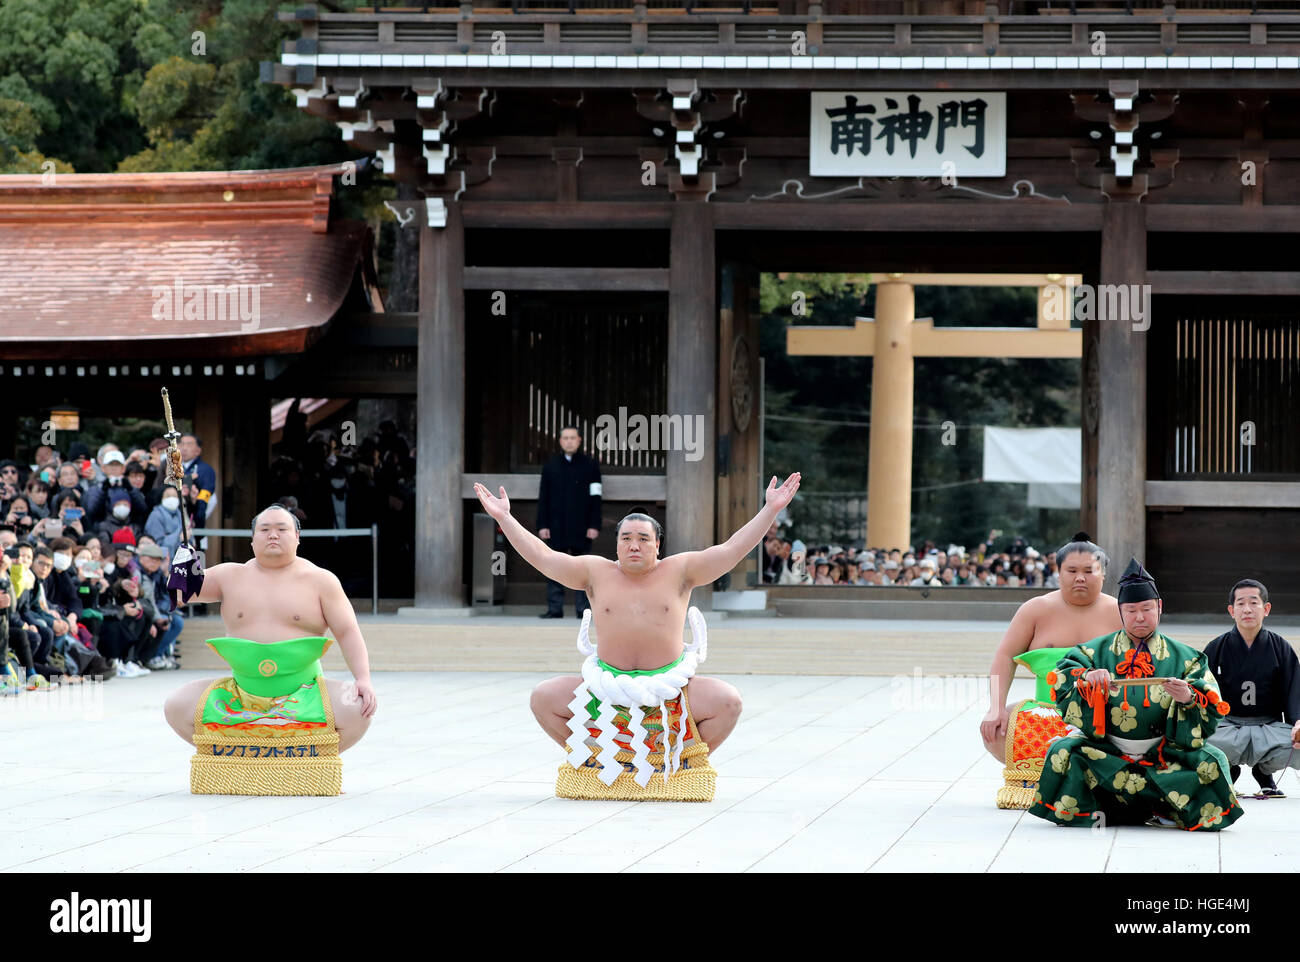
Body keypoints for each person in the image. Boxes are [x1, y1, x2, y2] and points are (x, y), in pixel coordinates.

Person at [474, 472, 801, 774]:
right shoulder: (594, 572)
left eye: (644, 538)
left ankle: (680, 763)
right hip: (606, 689)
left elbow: (731, 550)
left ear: (658, 545)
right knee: (544, 697)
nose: (634, 545)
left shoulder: (681, 571)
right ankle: (596, 761)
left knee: (728, 702)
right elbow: (544, 557)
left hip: (670, 691)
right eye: (626, 537)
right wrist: (505, 517)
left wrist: (770, 510)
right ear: (616, 543)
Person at [1027, 558, 1242, 831]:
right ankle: (1105, 809)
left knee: (1213, 760)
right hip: (1108, 752)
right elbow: (1062, 677)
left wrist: (1188, 698)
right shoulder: (1093, 652)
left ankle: (1156, 807)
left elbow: (1211, 701)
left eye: (1146, 609)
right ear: (1120, 612)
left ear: (1160, 607)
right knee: (1063, 750)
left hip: (1165, 753)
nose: (1139, 617)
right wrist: (1086, 679)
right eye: (1131, 610)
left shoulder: (1188, 659)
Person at [162, 504, 376, 751]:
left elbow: (347, 631)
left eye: (281, 529)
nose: (272, 535)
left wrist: (363, 678)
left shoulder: (321, 580)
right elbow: (180, 594)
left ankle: (306, 759)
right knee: (176, 705)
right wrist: (186, 559)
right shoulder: (229, 576)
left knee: (358, 708)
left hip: (304, 691)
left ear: (297, 537)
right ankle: (238, 755)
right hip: (240, 693)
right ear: (252, 539)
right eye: (264, 529)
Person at [981, 533, 1121, 808]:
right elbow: (1005, 656)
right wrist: (995, 707)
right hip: (1046, 709)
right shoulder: (1035, 609)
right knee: (997, 729)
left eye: (1088, 571)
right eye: (1071, 570)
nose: (1079, 577)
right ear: (1058, 573)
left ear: (1103, 574)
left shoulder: (1121, 611)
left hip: (1105, 712)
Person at [1203, 579, 1300, 799]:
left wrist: (1297, 723)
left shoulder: (1280, 647)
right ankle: (1228, 767)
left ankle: (1264, 771)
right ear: (1231, 610)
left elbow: (1294, 691)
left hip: (1269, 729)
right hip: (1228, 727)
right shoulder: (1216, 647)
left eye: (1254, 603)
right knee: (1196, 742)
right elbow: (1203, 692)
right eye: (1240, 603)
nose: (1247, 609)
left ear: (1266, 609)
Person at [535, 426, 601, 619]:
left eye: (573, 438)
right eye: (565, 438)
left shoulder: (590, 465)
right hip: (556, 525)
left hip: (583, 526)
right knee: (555, 566)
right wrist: (542, 525)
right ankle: (555, 608)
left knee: (583, 569)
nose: (569, 441)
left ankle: (584, 610)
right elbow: (543, 497)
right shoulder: (550, 466)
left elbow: (596, 497)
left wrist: (594, 525)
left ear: (579, 440)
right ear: (560, 441)